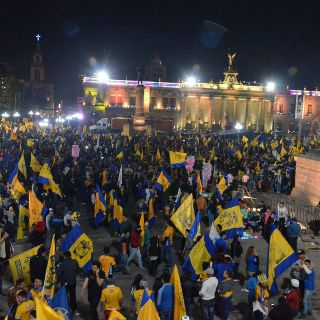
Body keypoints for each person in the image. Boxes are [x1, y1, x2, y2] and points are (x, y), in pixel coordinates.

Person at [56, 251, 79, 315]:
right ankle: (74, 310)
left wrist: (60, 280)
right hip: (73, 282)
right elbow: (78, 270)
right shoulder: (75, 262)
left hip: (64, 283)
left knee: (64, 296)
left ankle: (65, 310)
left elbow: (58, 273)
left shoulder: (62, 264)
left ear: (64, 256)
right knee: (73, 296)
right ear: (70, 255)